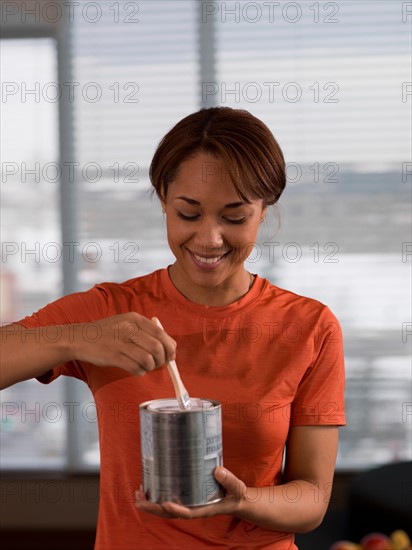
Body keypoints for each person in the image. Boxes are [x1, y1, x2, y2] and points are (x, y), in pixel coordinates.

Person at [0, 107, 345, 549]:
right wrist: (78, 337)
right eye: (188, 213)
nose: (209, 239)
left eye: (234, 217)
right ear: (164, 198)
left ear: (265, 209)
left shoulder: (309, 327)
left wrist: (242, 501)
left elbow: (312, 499)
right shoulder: (114, 312)